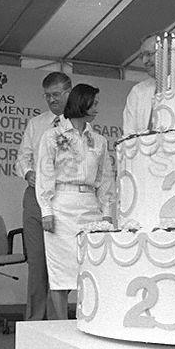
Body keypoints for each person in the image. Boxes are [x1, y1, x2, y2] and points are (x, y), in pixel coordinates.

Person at [36, 84, 114, 320]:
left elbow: (106, 179)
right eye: (94, 103)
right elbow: (44, 174)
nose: (97, 108)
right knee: (61, 271)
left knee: (90, 267)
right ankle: (61, 324)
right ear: (82, 102)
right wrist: (46, 210)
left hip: (90, 207)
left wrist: (107, 213)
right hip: (61, 205)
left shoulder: (99, 140)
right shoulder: (52, 136)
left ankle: (88, 320)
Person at [15, 72, 72, 321]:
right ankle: (35, 322)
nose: (51, 100)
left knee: (60, 263)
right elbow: (22, 157)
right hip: (35, 197)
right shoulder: (36, 124)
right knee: (37, 263)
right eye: (47, 96)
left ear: (69, 92)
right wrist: (28, 173)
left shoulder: (79, 125)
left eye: (56, 94)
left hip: (64, 198)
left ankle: (57, 322)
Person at [122, 34, 157, 136]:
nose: (145, 61)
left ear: (169, 53)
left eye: (149, 54)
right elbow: (129, 134)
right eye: (142, 56)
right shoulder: (138, 91)